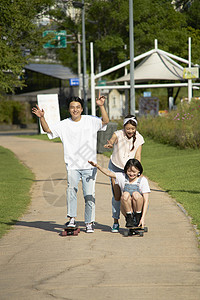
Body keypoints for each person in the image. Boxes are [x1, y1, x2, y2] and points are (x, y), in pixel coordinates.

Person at [32, 96, 109, 233]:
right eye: (73, 107)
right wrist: (41, 117)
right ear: (69, 109)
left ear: (82, 109)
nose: (75, 110)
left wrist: (101, 106)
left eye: (78, 107)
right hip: (72, 165)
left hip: (89, 165)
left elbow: (105, 121)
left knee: (89, 194)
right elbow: (48, 130)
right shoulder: (64, 124)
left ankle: (89, 222)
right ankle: (72, 219)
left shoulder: (90, 120)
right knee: (71, 191)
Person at [104, 115, 145, 232]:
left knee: (132, 195)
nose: (130, 131)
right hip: (115, 168)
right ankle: (115, 221)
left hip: (130, 170)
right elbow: (112, 139)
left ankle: (133, 220)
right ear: (124, 127)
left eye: (133, 128)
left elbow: (138, 156)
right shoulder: (119, 134)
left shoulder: (139, 138)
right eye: (128, 128)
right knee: (117, 196)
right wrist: (111, 143)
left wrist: (139, 173)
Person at [88, 158, 150, 228]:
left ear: (139, 170)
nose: (131, 174)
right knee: (125, 194)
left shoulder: (143, 180)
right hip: (127, 208)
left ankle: (137, 218)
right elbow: (109, 173)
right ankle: (129, 218)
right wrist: (97, 166)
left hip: (138, 208)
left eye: (134, 172)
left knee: (136, 194)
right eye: (129, 171)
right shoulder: (122, 177)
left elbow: (146, 200)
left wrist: (143, 218)